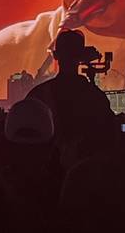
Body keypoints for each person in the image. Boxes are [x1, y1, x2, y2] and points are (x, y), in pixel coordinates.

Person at [24, 29, 115, 159]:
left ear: (56, 56)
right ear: (81, 56)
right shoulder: (94, 96)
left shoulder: (38, 95)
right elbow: (109, 137)